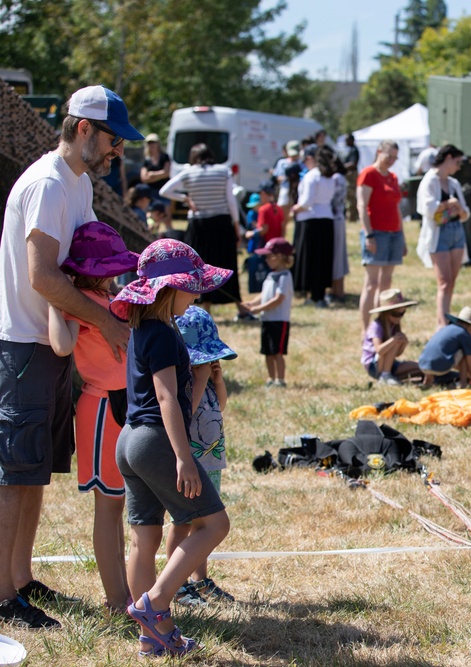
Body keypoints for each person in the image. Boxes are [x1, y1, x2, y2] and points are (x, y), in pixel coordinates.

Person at [0, 84, 138, 630]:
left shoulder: (76, 182)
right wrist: (105, 322)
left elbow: (83, 266)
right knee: (14, 472)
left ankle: (20, 579)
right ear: (83, 129)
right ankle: (3, 599)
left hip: (51, 347)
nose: (117, 152)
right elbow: (42, 275)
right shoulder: (49, 185)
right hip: (26, 345)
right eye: (112, 140)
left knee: (34, 471)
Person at [110, 239, 231, 657]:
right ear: (169, 289)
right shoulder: (162, 333)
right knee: (214, 525)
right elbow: (165, 399)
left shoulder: (141, 329)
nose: (198, 294)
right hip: (156, 441)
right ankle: (155, 603)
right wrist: (184, 457)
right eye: (192, 286)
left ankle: (153, 637)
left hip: (129, 441)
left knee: (144, 538)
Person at [47, 221, 139, 617]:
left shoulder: (110, 299)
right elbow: (63, 346)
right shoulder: (78, 303)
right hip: (101, 408)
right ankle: (117, 599)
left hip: (126, 405)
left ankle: (124, 593)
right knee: (109, 507)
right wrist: (56, 302)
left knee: (119, 504)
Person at [166, 306, 237, 607]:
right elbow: (186, 412)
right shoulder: (183, 383)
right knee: (182, 522)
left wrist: (216, 380)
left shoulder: (205, 381)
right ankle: (177, 583)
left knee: (204, 526)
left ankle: (200, 580)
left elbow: (218, 406)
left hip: (210, 462)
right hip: (189, 465)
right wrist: (199, 377)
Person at [159, 143, 242, 311]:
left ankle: (205, 305)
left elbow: (164, 191)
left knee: (200, 263)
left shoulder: (189, 172)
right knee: (226, 262)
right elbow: (231, 201)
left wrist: (185, 198)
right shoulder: (223, 171)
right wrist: (236, 224)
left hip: (199, 224)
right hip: (221, 223)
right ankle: (238, 304)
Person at [416, 144, 471, 328]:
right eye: (457, 162)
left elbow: (465, 213)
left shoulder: (454, 183)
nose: (458, 166)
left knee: (451, 282)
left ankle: (445, 317)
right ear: (448, 158)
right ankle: (442, 324)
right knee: (444, 282)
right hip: (439, 234)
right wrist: (449, 204)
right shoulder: (429, 181)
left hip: (456, 232)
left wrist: (459, 208)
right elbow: (427, 209)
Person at [358, 140, 406, 331]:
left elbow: (396, 208)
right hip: (376, 232)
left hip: (394, 233)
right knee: (371, 283)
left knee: (386, 284)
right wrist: (369, 235)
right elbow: (361, 205)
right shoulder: (368, 174)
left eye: (395, 158)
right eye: (389, 157)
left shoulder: (393, 177)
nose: (392, 161)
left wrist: (402, 236)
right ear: (379, 152)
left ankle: (382, 327)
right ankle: (365, 329)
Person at [241, 238, 295, 387]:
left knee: (277, 352)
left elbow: (279, 299)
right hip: (267, 320)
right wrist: (252, 303)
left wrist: (259, 309)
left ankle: (281, 380)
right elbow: (264, 294)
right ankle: (271, 379)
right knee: (267, 352)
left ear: (278, 256)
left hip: (279, 320)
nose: (265, 259)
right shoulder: (271, 275)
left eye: (268, 255)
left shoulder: (285, 276)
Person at [292, 145, 337, 307]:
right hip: (326, 219)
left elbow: (306, 202)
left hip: (310, 220)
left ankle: (313, 295)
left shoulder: (312, 176)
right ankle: (320, 294)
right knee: (323, 259)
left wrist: (294, 208)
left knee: (310, 259)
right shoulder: (330, 177)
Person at [362, 289, 421, 386]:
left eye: (402, 313)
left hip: (389, 364)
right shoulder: (376, 326)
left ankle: (390, 376)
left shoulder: (394, 325)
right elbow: (379, 350)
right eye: (396, 314)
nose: (399, 317)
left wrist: (404, 343)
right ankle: (385, 376)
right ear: (386, 313)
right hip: (374, 366)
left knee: (421, 367)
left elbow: (397, 354)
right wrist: (393, 340)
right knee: (394, 342)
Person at [418, 306, 471, 387]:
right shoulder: (465, 335)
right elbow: (470, 363)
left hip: (422, 365)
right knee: (464, 354)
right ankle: (463, 384)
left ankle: (427, 381)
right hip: (440, 367)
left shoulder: (446, 329)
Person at [329, 154, 350, 305]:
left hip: (334, 218)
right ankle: (339, 289)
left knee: (336, 256)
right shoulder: (342, 178)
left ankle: (337, 291)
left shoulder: (335, 178)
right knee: (340, 255)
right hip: (340, 218)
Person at [140, 133, 172, 216]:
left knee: (166, 216)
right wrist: (159, 175)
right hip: (151, 193)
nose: (151, 145)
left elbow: (167, 173)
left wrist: (151, 175)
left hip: (164, 190)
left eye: (153, 142)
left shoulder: (165, 157)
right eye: (149, 143)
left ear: (158, 143)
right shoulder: (147, 160)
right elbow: (144, 178)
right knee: (151, 216)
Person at [340, 133, 360, 221]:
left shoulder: (354, 150)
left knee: (351, 196)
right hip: (349, 175)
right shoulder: (351, 150)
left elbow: (353, 163)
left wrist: (342, 166)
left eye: (347, 140)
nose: (345, 142)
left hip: (351, 175)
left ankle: (351, 217)